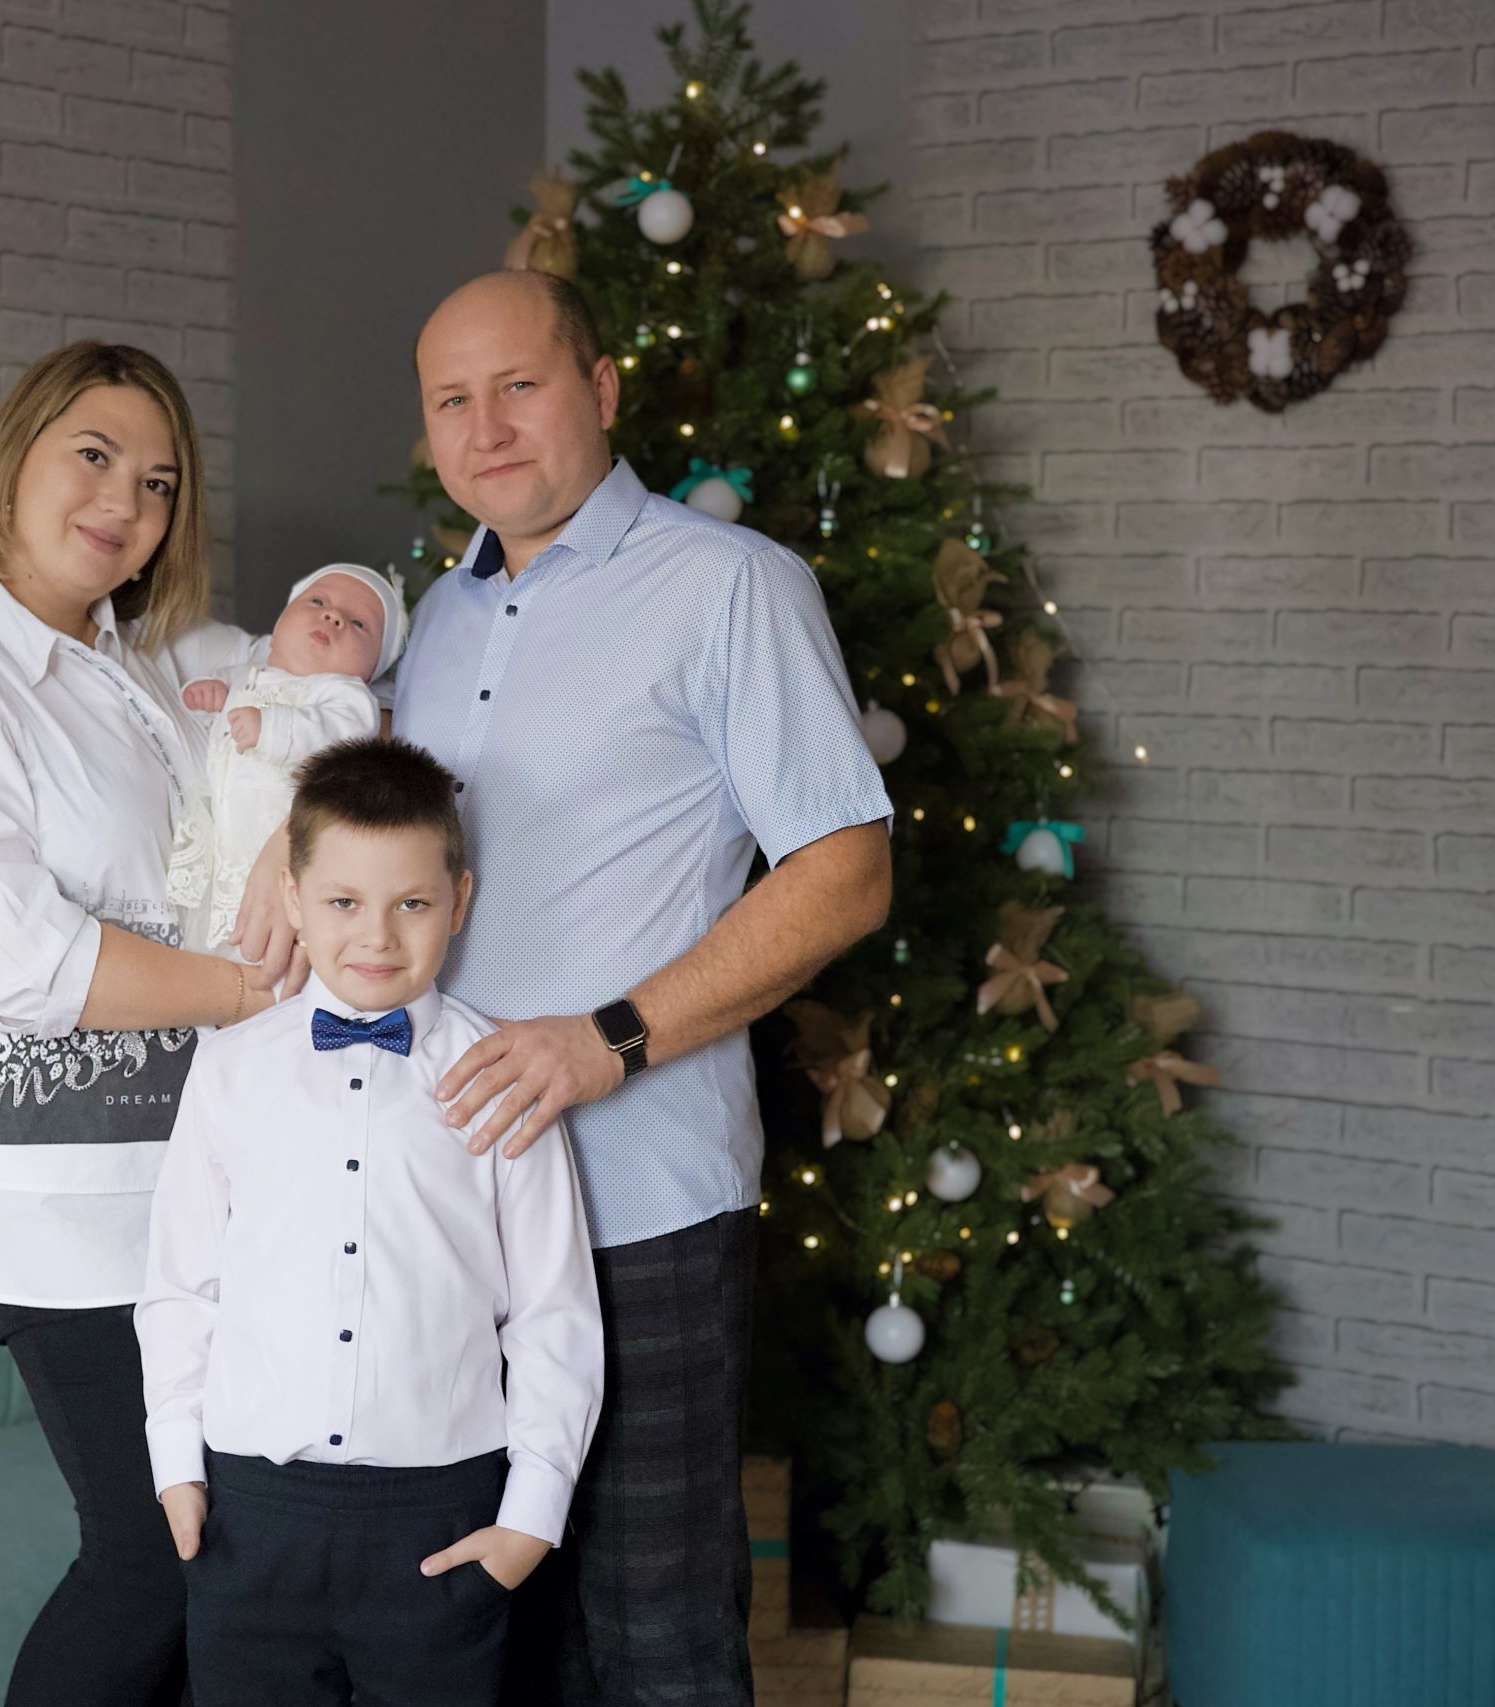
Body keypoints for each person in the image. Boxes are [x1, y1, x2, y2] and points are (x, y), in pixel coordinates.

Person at [390, 270, 897, 1705]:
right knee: (486, 1633)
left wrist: (611, 1037)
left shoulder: (728, 585)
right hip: (451, 1210)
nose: (487, 427)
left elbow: (846, 869)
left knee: (653, 1638)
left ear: (602, 387)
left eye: (520, 384)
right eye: (451, 399)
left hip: (637, 1206)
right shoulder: (433, 617)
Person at [0, 341, 285, 1707]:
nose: (124, 501)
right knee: (154, 1552)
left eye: (158, 481)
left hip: (181, 1170)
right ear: (13, 456)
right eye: (94, 455)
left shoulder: (146, 668)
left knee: (227, 1545)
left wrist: (293, 823)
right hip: (51, 1183)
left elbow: (339, 647)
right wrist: (249, 986)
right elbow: (11, 953)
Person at [138, 738, 603, 1707]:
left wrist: (531, 1517)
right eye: (344, 902)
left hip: (440, 1513)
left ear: (459, 902)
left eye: (412, 904)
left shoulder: (504, 1075)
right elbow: (182, 1285)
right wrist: (177, 1466)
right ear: (294, 898)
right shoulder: (229, 1071)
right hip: (250, 1510)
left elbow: (553, 1309)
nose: (378, 937)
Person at [166, 564, 407, 952]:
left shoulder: (346, 696)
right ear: (279, 622)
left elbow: (341, 738)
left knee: (282, 943)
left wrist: (272, 727)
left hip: (285, 850)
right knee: (213, 935)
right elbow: (211, 708)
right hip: (224, 845)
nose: (333, 616)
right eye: (318, 602)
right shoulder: (244, 674)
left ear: (371, 669)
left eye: (359, 623)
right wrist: (206, 691)